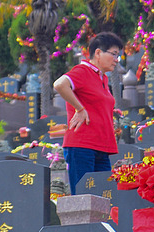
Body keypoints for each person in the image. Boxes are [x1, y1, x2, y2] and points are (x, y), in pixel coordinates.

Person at [53, 31, 122, 194]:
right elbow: (59, 84)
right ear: (98, 53)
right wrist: (80, 109)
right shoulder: (83, 71)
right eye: (113, 54)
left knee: (104, 198)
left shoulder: (103, 78)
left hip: (101, 147)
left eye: (118, 55)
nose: (116, 59)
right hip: (82, 145)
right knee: (83, 199)